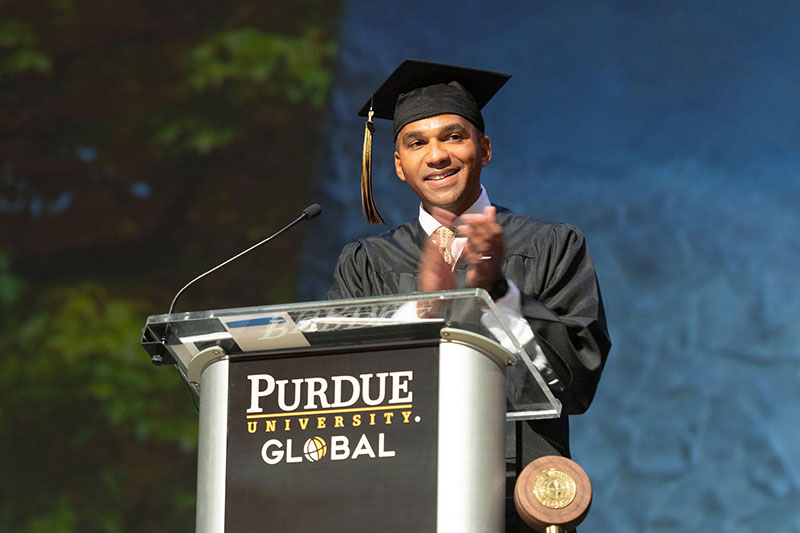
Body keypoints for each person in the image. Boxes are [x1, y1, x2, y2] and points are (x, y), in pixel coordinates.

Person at [326, 60, 611, 531]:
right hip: (396, 497)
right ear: (398, 165)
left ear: (485, 148)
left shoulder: (552, 245)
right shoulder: (366, 263)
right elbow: (340, 391)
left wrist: (497, 291)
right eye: (416, 143)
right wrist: (421, 317)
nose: (436, 155)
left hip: (516, 501)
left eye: (453, 137)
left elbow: (576, 382)